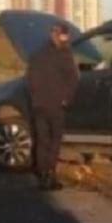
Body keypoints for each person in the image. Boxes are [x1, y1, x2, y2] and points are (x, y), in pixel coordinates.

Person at [26, 22, 80, 191]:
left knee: (42, 140)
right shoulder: (64, 54)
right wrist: (66, 100)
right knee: (55, 141)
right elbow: (73, 80)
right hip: (56, 105)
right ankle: (50, 174)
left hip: (39, 105)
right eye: (65, 35)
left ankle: (43, 175)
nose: (67, 38)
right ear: (61, 35)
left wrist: (35, 98)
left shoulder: (36, 55)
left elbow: (30, 80)